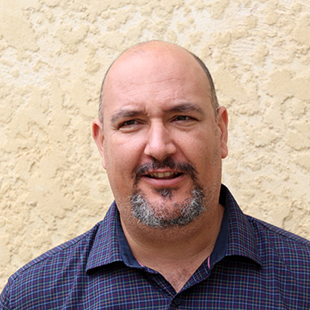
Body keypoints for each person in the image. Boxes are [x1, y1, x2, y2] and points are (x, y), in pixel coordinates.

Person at [1, 41, 310, 309]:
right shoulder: (33, 297)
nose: (159, 147)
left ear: (221, 132)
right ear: (102, 143)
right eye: (131, 122)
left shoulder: (304, 280)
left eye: (182, 117)